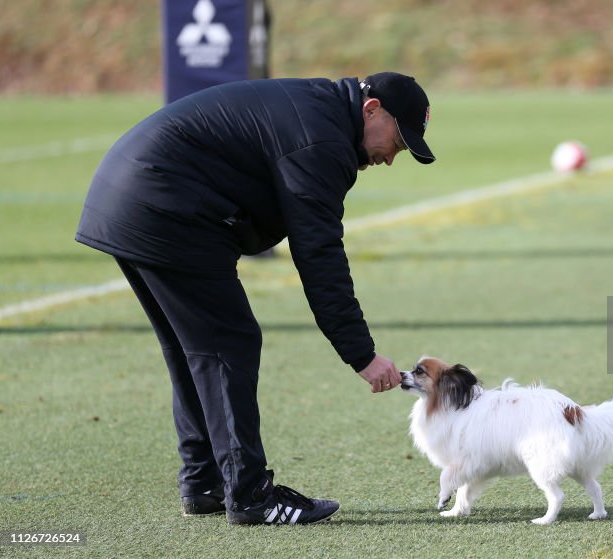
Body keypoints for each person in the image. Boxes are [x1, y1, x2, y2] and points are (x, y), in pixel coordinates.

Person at [75, 72, 435, 525]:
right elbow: (318, 254)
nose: (390, 158)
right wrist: (361, 354)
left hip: (130, 196)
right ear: (371, 109)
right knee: (230, 343)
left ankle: (205, 482)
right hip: (162, 204)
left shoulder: (322, 113)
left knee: (197, 350)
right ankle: (248, 495)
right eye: (398, 143)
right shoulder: (322, 142)